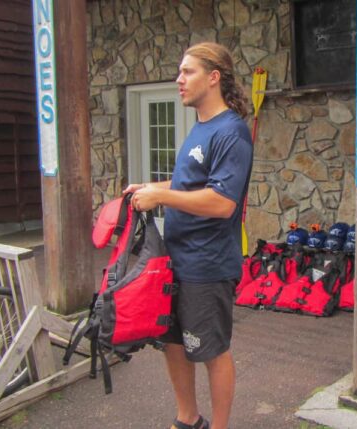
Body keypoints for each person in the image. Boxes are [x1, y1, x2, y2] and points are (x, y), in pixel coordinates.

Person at [123, 42, 253, 429]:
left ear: (214, 78)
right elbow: (190, 183)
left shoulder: (232, 132)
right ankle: (188, 419)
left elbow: (221, 202)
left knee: (211, 351)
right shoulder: (201, 128)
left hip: (208, 265)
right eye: (179, 73)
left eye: (187, 72)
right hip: (176, 260)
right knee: (173, 343)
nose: (179, 80)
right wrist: (151, 187)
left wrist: (161, 195)